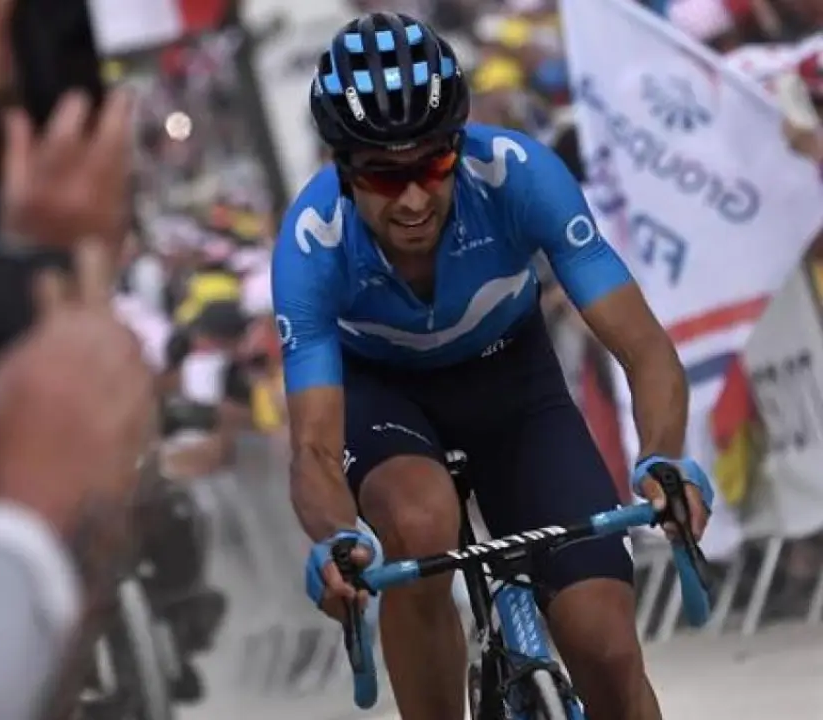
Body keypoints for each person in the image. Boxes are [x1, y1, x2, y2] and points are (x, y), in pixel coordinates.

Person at [274, 12, 714, 720]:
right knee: (419, 525)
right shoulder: (311, 244)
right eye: (383, 175)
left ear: (459, 143)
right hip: (383, 398)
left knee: (605, 647)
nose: (413, 198)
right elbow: (315, 449)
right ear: (343, 170)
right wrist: (338, 538)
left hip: (512, 381)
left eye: (432, 165)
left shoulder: (519, 176)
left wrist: (663, 458)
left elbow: (644, 349)